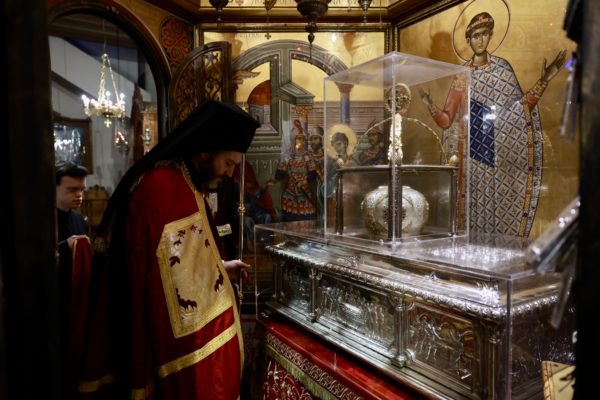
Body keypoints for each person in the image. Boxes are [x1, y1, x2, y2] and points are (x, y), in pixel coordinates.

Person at [77, 100, 260, 399]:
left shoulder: (189, 183)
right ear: (206, 150)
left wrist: (221, 269)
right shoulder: (160, 189)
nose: (230, 173)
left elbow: (181, 263)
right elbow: (147, 277)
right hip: (172, 357)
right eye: (228, 163)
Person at [420, 12, 566, 237]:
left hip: (499, 156)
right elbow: (447, 120)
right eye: (475, 36)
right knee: (472, 216)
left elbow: (519, 109)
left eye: (484, 34)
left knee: (497, 215)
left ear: (491, 35)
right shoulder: (462, 76)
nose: (480, 40)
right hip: (471, 157)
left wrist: (544, 80)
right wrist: (429, 104)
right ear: (468, 40)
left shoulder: (502, 68)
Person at [55, 160, 90, 397]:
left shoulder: (77, 218)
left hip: (76, 296)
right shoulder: (41, 219)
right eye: (72, 190)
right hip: (54, 299)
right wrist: (65, 247)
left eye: (81, 189)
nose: (79, 195)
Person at [270, 128, 317, 221]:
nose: (301, 141)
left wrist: (303, 182)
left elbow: (312, 174)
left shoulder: (307, 155)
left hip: (304, 192)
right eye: (298, 138)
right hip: (290, 193)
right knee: (290, 218)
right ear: (293, 139)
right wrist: (284, 166)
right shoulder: (287, 155)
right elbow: (278, 176)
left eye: (303, 139)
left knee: (306, 219)